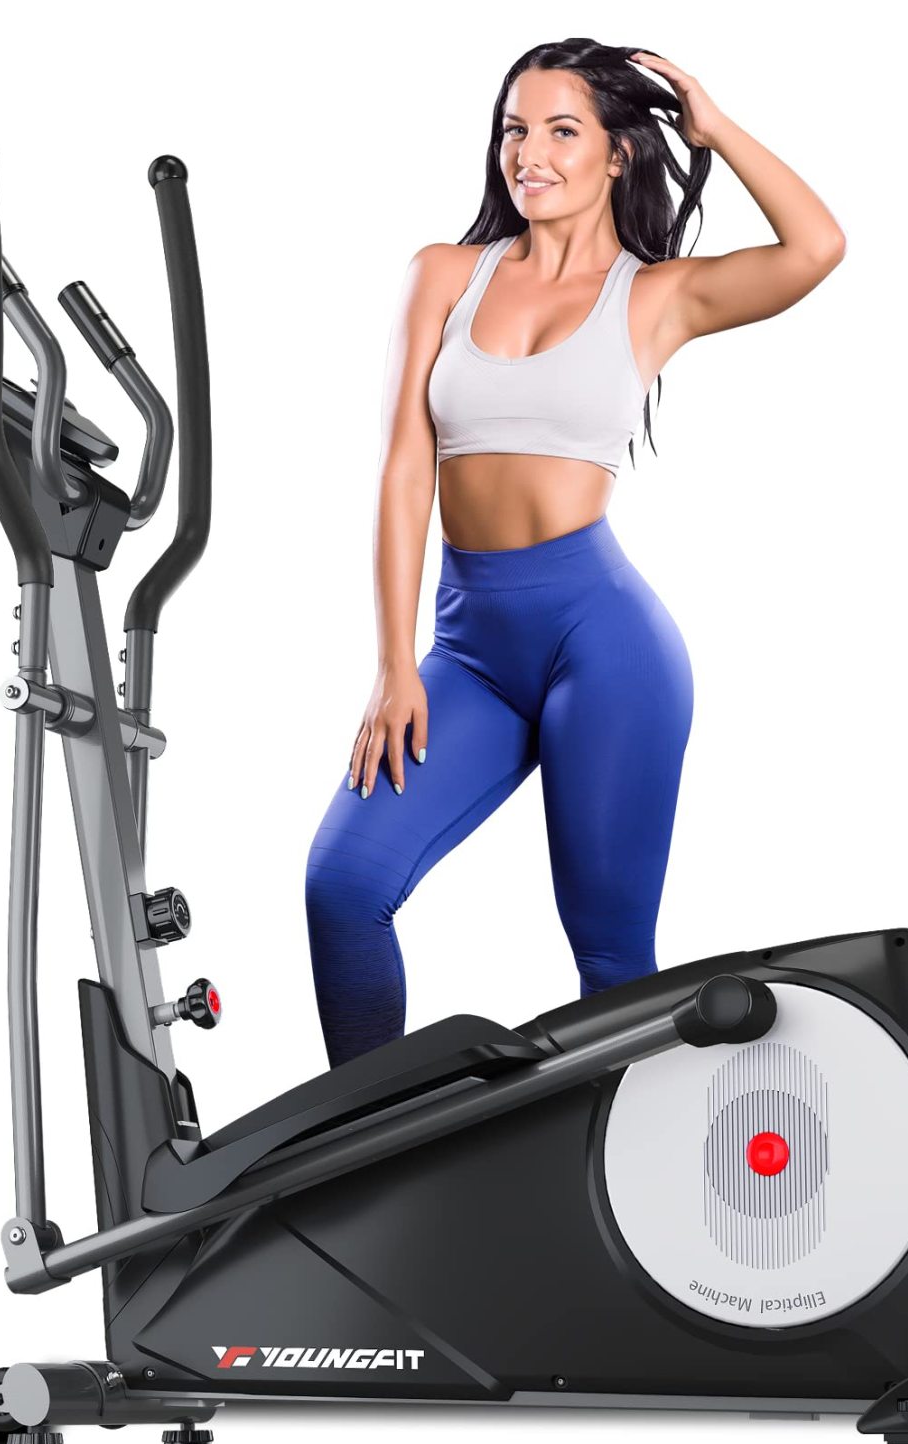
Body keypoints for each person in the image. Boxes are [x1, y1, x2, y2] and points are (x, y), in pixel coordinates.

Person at [304, 40, 846, 1067]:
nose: (529, 153)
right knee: (343, 885)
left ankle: (637, 1150)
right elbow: (404, 471)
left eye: (561, 131)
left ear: (616, 153)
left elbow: (815, 247)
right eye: (515, 129)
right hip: (467, 650)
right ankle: (370, 1136)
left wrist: (716, 128)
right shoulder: (444, 274)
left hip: (604, 647)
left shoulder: (655, 294)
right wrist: (392, 665)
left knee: (610, 962)